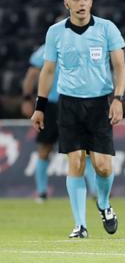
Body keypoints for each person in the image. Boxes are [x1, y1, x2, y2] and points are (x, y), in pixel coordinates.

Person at [31, 0, 125, 239]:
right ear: (67, 4)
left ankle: (104, 204)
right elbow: (48, 70)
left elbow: (119, 66)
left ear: (92, 1)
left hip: (99, 103)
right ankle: (80, 225)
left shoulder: (107, 29)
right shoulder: (55, 32)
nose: (82, 3)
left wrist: (118, 98)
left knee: (103, 166)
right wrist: (39, 107)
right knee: (75, 162)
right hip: (69, 104)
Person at [21, 38, 97, 202]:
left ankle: (94, 190)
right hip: (53, 105)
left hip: (74, 103)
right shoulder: (46, 50)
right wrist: (27, 99)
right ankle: (42, 191)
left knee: (83, 148)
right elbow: (32, 74)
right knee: (47, 148)